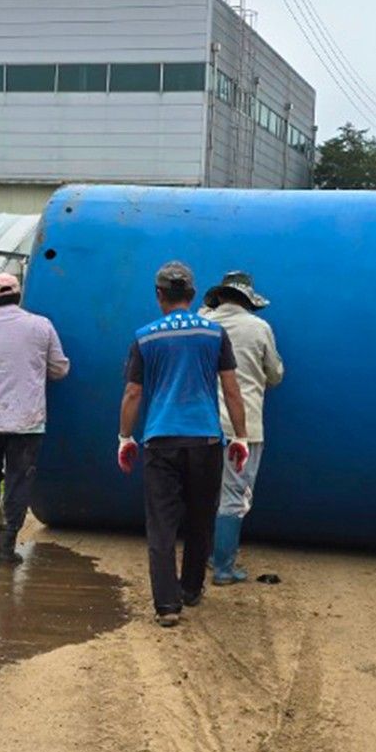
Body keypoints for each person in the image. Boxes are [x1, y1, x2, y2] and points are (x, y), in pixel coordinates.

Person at [118, 261, 250, 628]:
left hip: (160, 440)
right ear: (191, 296)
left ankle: (166, 605)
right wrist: (239, 436)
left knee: (161, 523)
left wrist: (125, 438)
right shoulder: (214, 333)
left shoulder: (144, 337)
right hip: (205, 439)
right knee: (200, 517)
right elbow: (231, 389)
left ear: (159, 295)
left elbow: (133, 392)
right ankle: (191, 589)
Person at [0, 272, 70, 565]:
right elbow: (60, 369)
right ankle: (6, 546)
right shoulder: (41, 325)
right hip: (28, 420)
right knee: (18, 479)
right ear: (18, 295)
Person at [199, 271, 284, 585]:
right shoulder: (259, 328)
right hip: (243, 426)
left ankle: (206, 555)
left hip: (203, 425)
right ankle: (223, 567)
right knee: (234, 494)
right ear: (248, 299)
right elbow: (274, 375)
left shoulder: (203, 323)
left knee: (205, 493)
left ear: (219, 296)